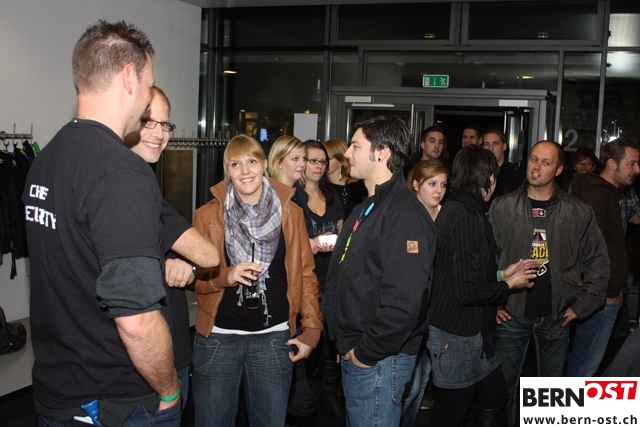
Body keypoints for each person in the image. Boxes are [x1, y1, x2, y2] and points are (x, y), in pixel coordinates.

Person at [22, 20, 183, 426]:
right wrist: (169, 390)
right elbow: (137, 319)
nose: (147, 101)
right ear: (129, 77)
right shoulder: (121, 172)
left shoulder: (47, 159)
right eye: (149, 85)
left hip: (58, 394)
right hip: (114, 403)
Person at [190, 135, 322, 427]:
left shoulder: (291, 213)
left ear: (264, 164)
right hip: (218, 338)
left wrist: (312, 329)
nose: (245, 171)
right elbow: (195, 279)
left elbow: (305, 274)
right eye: (235, 164)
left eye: (251, 161)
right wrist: (225, 276)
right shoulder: (206, 215)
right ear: (227, 171)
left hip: (273, 337)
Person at [324, 115, 436, 427]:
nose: (347, 153)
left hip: (379, 360)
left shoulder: (403, 213)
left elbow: (405, 302)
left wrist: (365, 352)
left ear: (382, 152)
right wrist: (345, 340)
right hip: (363, 351)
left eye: (356, 146)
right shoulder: (370, 206)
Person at [488, 140, 609, 427]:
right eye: (533, 159)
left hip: (557, 318)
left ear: (559, 170)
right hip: (512, 315)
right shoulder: (502, 207)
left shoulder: (578, 211)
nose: (536, 167)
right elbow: (486, 261)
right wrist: (494, 301)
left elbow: (598, 263)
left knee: (550, 394)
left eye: (545, 162)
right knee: (503, 389)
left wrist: (582, 306)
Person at [427, 146, 539, 427]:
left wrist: (502, 274)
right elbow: (467, 292)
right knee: (452, 414)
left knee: (494, 397)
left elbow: (462, 275)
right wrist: (509, 285)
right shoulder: (466, 217)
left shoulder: (459, 208)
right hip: (458, 334)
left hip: (471, 331)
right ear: (489, 178)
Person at [124, 86, 221, 409]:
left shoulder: (145, 181)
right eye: (148, 122)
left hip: (169, 345)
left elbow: (192, 257)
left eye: (164, 124)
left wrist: (183, 264)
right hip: (141, 363)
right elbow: (208, 254)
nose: (158, 133)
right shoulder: (124, 184)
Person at [567, 138, 639, 376]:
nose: (637, 170)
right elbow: (588, 249)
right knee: (584, 367)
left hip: (604, 295)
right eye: (632, 164)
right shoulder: (597, 195)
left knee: (585, 363)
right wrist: (608, 291)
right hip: (601, 297)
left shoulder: (608, 192)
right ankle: (570, 402)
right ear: (612, 164)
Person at [294, 140, 345, 420]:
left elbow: (343, 235)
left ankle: (327, 394)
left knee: (329, 343)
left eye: (322, 162)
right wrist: (311, 243)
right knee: (306, 338)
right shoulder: (293, 197)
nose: (317, 166)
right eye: (311, 161)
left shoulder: (332, 194)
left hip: (332, 279)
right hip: (305, 280)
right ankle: (303, 398)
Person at [400, 159, 448, 427]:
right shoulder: (406, 217)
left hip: (437, 313)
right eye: (432, 183)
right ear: (416, 184)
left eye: (443, 184)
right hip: (409, 314)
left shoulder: (446, 217)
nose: (438, 190)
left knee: (423, 382)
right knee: (411, 386)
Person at [324, 138, 367, 218]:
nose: (324, 162)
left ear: (341, 161)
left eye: (328, 159)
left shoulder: (354, 186)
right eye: (323, 158)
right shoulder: (320, 185)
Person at [481, 127, 525, 201]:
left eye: (495, 143)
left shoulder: (517, 175)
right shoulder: (476, 173)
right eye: (486, 144)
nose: (490, 148)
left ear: (504, 147)